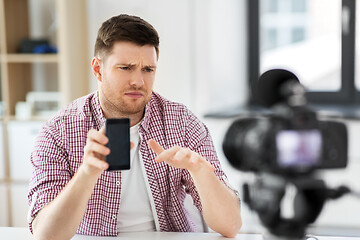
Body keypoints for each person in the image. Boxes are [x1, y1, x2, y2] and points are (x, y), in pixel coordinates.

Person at [27, 14, 242, 240]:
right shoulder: (58, 130)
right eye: (126, 68)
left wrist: (199, 172)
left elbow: (231, 226)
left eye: (148, 69)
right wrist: (86, 173)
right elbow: (45, 234)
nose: (138, 81)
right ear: (98, 70)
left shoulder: (182, 122)